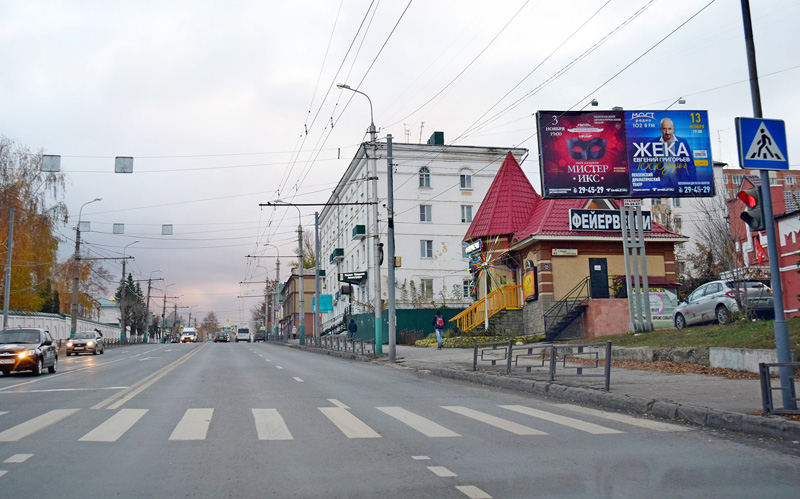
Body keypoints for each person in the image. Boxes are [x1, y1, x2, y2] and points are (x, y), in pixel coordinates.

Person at [647, 117, 695, 187]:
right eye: (664, 129)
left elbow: (690, 164)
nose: (667, 132)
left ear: (673, 128)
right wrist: (653, 182)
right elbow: (649, 164)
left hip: (681, 181)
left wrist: (693, 182)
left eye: (669, 129)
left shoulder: (682, 142)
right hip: (661, 182)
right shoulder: (653, 142)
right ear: (660, 129)